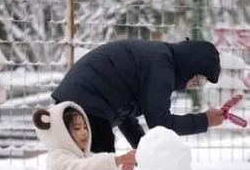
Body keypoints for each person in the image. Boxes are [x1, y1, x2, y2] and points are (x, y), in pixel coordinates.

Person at [52, 39, 223, 152]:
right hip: (87, 107)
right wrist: (204, 120)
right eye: (199, 78)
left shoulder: (157, 58)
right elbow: (161, 122)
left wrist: (144, 153)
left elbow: (125, 117)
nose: (196, 84)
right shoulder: (162, 67)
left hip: (73, 105)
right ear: (191, 65)